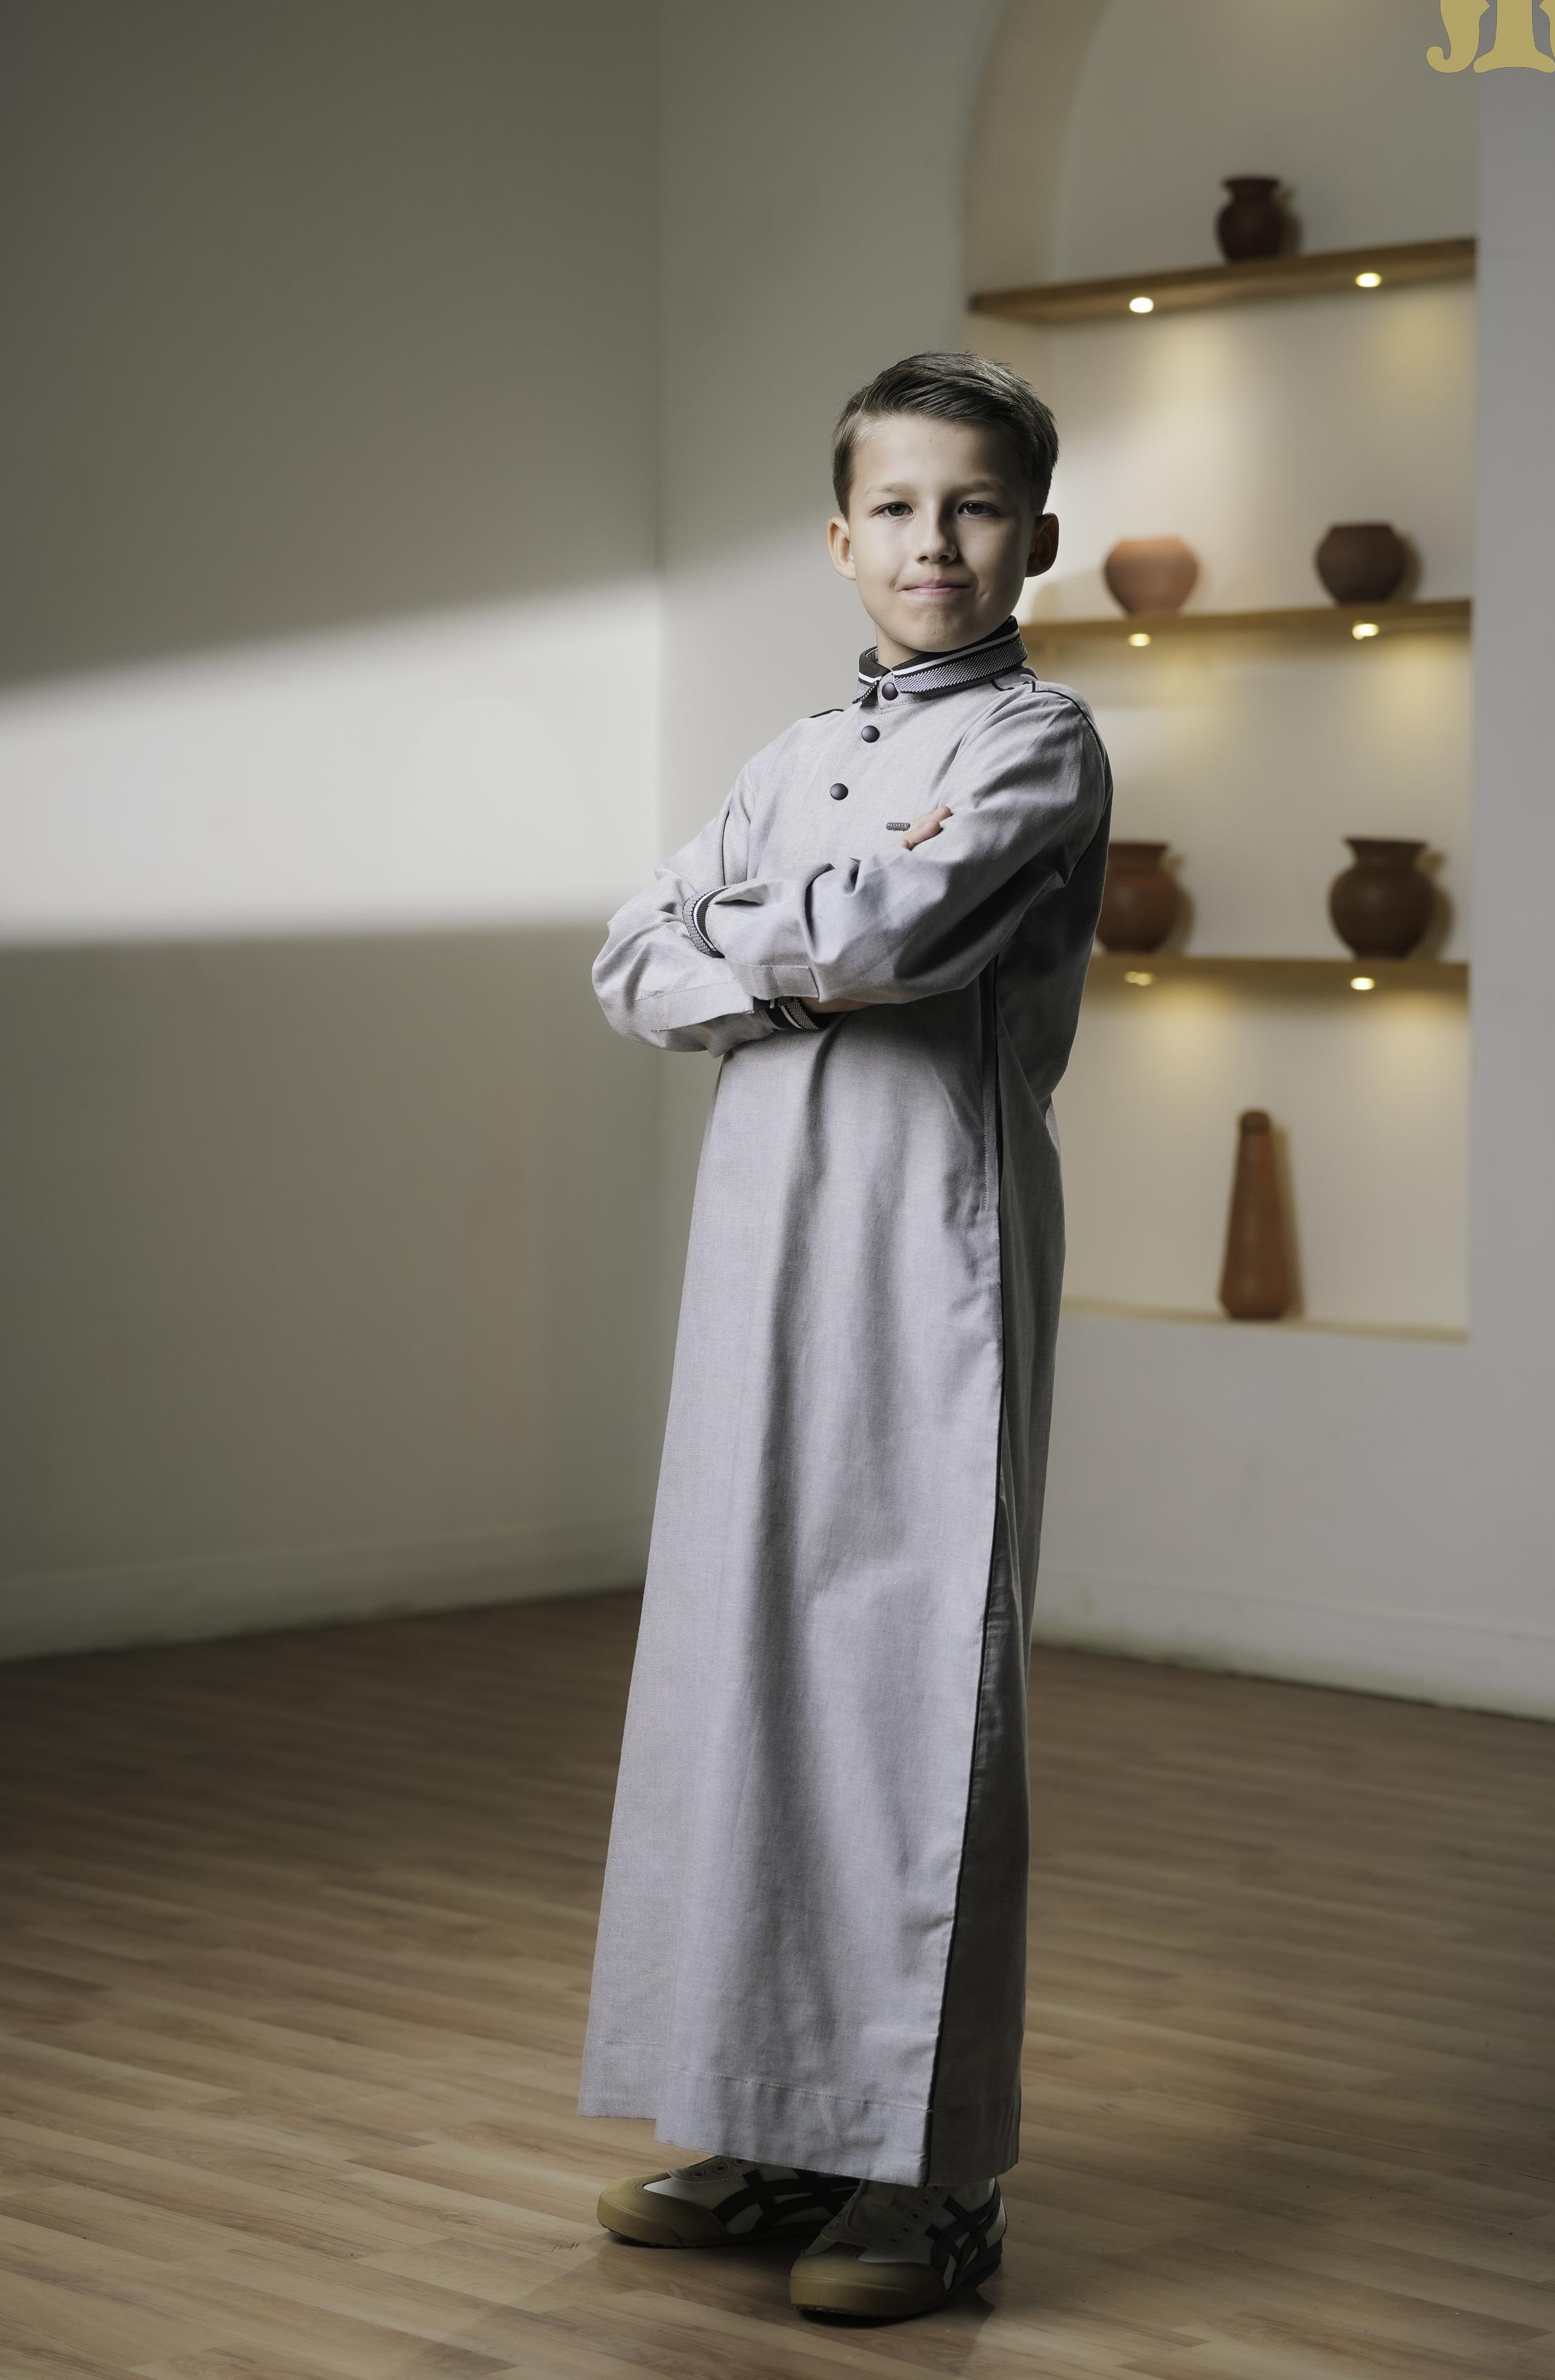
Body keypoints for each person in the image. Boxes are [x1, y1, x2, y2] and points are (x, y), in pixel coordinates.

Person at [578, 348, 1111, 2325]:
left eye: (974, 506)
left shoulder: (1043, 744)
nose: (932, 542)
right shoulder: (792, 756)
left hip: (929, 1242)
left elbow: (892, 938)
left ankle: (934, 2178)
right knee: (744, 1665)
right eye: (896, 507)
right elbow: (629, 959)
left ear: (1035, 536)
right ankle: (771, 2126)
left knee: (907, 1683)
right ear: (838, 538)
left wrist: (762, 949)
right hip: (762, 1241)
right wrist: (808, 940)